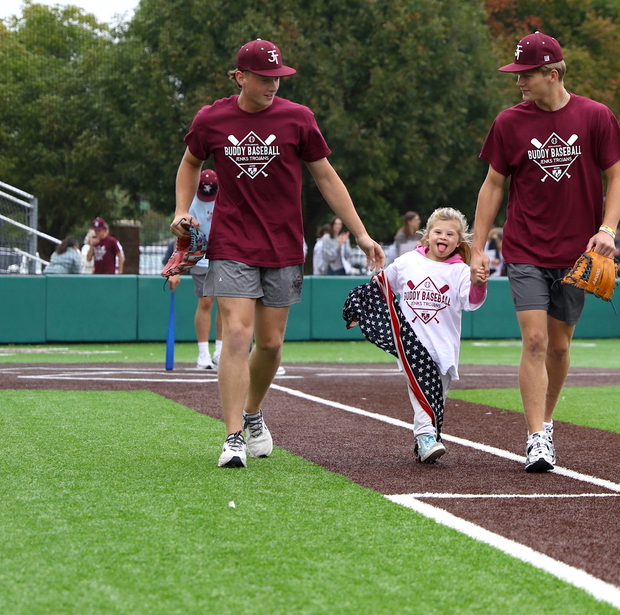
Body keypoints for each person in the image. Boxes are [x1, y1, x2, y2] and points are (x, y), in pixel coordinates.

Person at [172, 38, 384, 468]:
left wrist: (360, 233)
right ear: (240, 77)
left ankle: (252, 415)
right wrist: (181, 210)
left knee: (269, 344)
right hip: (231, 243)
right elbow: (190, 163)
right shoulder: (211, 118)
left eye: (278, 78)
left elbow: (326, 177)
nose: (273, 85)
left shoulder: (298, 118)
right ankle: (232, 436)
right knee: (235, 334)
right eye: (265, 78)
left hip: (285, 245)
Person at [471, 32, 620, 472]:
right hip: (524, 249)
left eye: (527, 74)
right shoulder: (509, 122)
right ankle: (536, 437)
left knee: (559, 347)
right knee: (535, 340)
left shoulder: (595, 116)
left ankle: (548, 419)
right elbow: (493, 185)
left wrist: (607, 229)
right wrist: (478, 247)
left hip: (577, 254)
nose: (519, 81)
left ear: (553, 74)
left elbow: (616, 179)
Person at [379, 207, 488, 462]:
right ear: (426, 236)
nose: (443, 237)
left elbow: (470, 301)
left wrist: (479, 284)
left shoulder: (460, 271)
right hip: (413, 344)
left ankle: (427, 437)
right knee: (422, 389)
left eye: (450, 234)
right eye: (438, 232)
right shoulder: (408, 262)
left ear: (458, 242)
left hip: (444, 346)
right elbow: (384, 284)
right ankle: (426, 436)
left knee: (437, 396)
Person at [168, 169, 224, 369]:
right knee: (206, 301)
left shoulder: (226, 199)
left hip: (223, 255)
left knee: (225, 304)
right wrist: (175, 270)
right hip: (200, 258)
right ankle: (203, 355)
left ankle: (220, 352)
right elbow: (182, 236)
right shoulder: (190, 203)